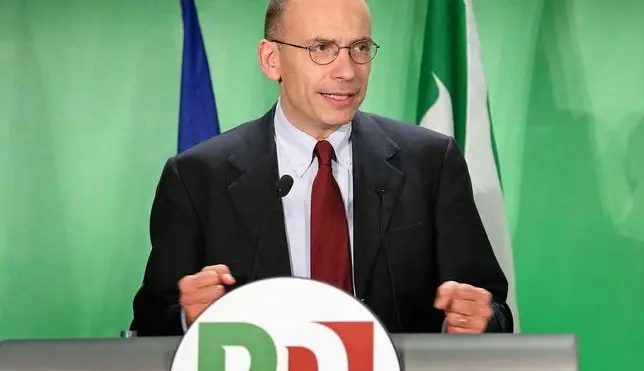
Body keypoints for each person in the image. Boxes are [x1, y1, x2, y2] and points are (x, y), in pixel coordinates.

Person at [129, 0, 513, 336]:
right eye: (322, 48)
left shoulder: (431, 162)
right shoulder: (196, 177)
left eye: (359, 48)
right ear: (271, 59)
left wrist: (473, 319)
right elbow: (149, 323)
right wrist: (187, 315)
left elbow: (492, 307)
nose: (347, 71)